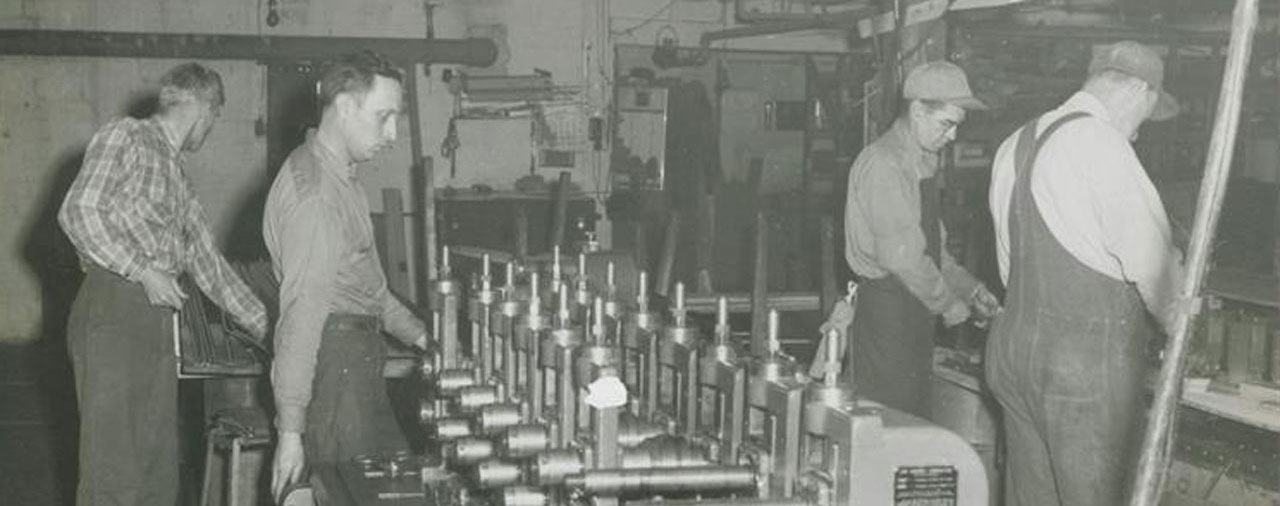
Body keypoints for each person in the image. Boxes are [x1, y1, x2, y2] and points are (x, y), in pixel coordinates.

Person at [58, 62, 268, 506]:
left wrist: (266, 323)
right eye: (214, 119)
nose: (210, 129)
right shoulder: (127, 136)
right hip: (113, 310)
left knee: (155, 474)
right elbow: (79, 212)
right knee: (114, 474)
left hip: (156, 323)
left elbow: (209, 264)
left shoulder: (178, 176)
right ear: (204, 107)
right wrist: (142, 270)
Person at [985, 40, 1186, 506]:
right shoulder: (1102, 144)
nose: (1138, 134)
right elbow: (1153, 266)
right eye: (1145, 117)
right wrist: (1179, 327)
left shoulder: (1015, 142)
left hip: (1013, 352)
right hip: (1080, 367)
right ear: (1141, 91)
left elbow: (1008, 266)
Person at [265, 50, 431, 500]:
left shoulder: (341, 180)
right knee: (356, 494)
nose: (393, 134)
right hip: (337, 368)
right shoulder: (316, 196)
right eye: (383, 117)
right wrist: (291, 432)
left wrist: (423, 338)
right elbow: (301, 318)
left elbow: (368, 289)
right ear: (343, 107)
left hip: (355, 361)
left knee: (393, 490)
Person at [842, 61, 999, 418]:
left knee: (911, 422)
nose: (953, 136)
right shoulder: (884, 164)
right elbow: (904, 259)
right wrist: (949, 305)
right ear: (917, 111)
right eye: (947, 124)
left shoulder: (920, 164)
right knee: (888, 423)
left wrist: (971, 290)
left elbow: (934, 251)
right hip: (888, 314)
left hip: (912, 311)